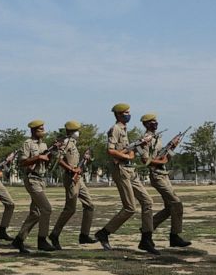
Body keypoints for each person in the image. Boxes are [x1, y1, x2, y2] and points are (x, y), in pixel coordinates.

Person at [93, 103, 159, 255]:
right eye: (125, 113)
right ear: (118, 115)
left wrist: (139, 146)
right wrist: (126, 155)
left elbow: (131, 151)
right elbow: (110, 150)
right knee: (130, 207)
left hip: (130, 169)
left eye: (129, 112)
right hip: (121, 170)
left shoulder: (124, 130)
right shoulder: (115, 129)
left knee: (147, 201)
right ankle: (104, 233)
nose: (128, 115)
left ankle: (146, 239)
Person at [138, 113, 191, 248]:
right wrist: (162, 160)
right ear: (145, 124)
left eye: (156, 121)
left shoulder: (158, 138)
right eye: (151, 121)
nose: (155, 123)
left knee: (169, 208)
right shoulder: (143, 140)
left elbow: (167, 157)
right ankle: (174, 236)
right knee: (177, 204)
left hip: (164, 174)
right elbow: (145, 160)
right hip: (156, 175)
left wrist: (172, 147)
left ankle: (149, 226)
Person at [11, 120, 56, 254]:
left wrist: (50, 157)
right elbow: (23, 161)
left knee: (35, 213)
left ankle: (19, 239)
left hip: (41, 179)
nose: (43, 131)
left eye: (43, 128)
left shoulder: (44, 144)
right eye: (40, 129)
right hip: (32, 179)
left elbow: (46, 164)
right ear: (33, 130)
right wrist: (38, 157)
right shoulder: (28, 144)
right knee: (46, 209)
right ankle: (42, 240)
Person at [50, 120, 96, 249]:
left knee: (90, 205)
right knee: (70, 209)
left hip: (78, 178)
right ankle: (54, 234)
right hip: (71, 178)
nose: (78, 132)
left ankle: (84, 235)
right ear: (71, 131)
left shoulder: (73, 143)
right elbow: (58, 160)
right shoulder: (66, 142)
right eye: (77, 130)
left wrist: (84, 161)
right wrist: (71, 169)